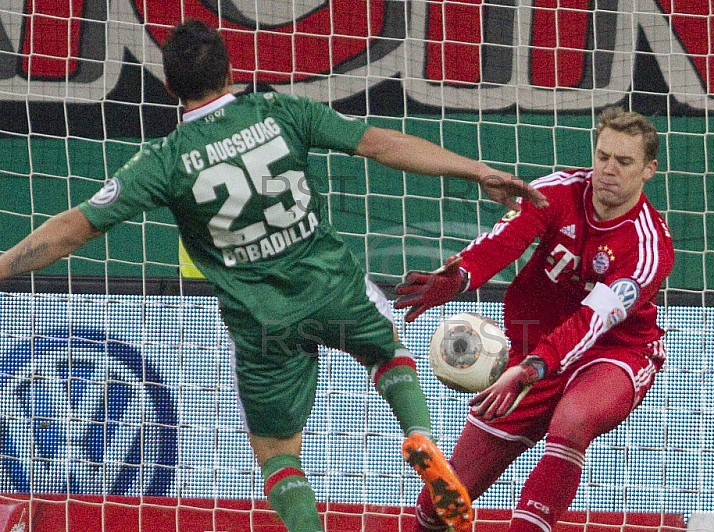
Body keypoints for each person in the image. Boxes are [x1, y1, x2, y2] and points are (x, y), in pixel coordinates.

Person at [0, 19, 549, 532]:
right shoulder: (278, 112)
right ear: (230, 72)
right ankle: (420, 437)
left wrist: (3, 266)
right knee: (388, 353)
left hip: (263, 324)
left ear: (170, 87)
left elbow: (75, 228)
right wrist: (477, 169)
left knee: (276, 451)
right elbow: (380, 144)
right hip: (332, 287)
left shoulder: (163, 161)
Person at [395, 107, 674, 532]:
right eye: (603, 156)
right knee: (445, 497)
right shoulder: (556, 191)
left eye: (624, 161)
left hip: (615, 353)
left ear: (649, 169)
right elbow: (504, 240)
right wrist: (461, 276)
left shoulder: (649, 246)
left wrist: (530, 368)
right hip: (535, 348)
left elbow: (592, 320)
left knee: (573, 421)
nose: (608, 170)